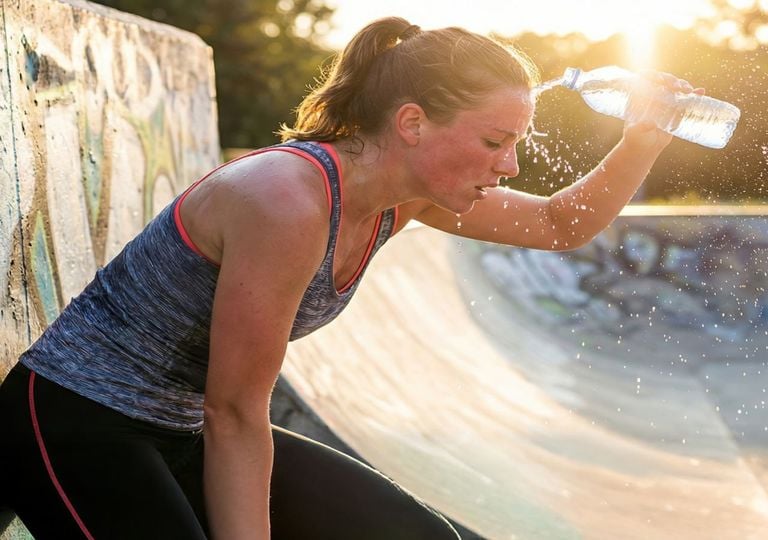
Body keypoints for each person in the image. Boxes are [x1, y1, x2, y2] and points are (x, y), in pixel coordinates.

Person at [0, 16, 703, 540]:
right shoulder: (287, 200)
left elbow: (558, 224)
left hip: (176, 432)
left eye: (515, 143)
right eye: (495, 141)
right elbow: (237, 412)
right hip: (75, 418)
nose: (510, 165)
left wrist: (645, 135)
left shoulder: (408, 198)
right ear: (412, 123)